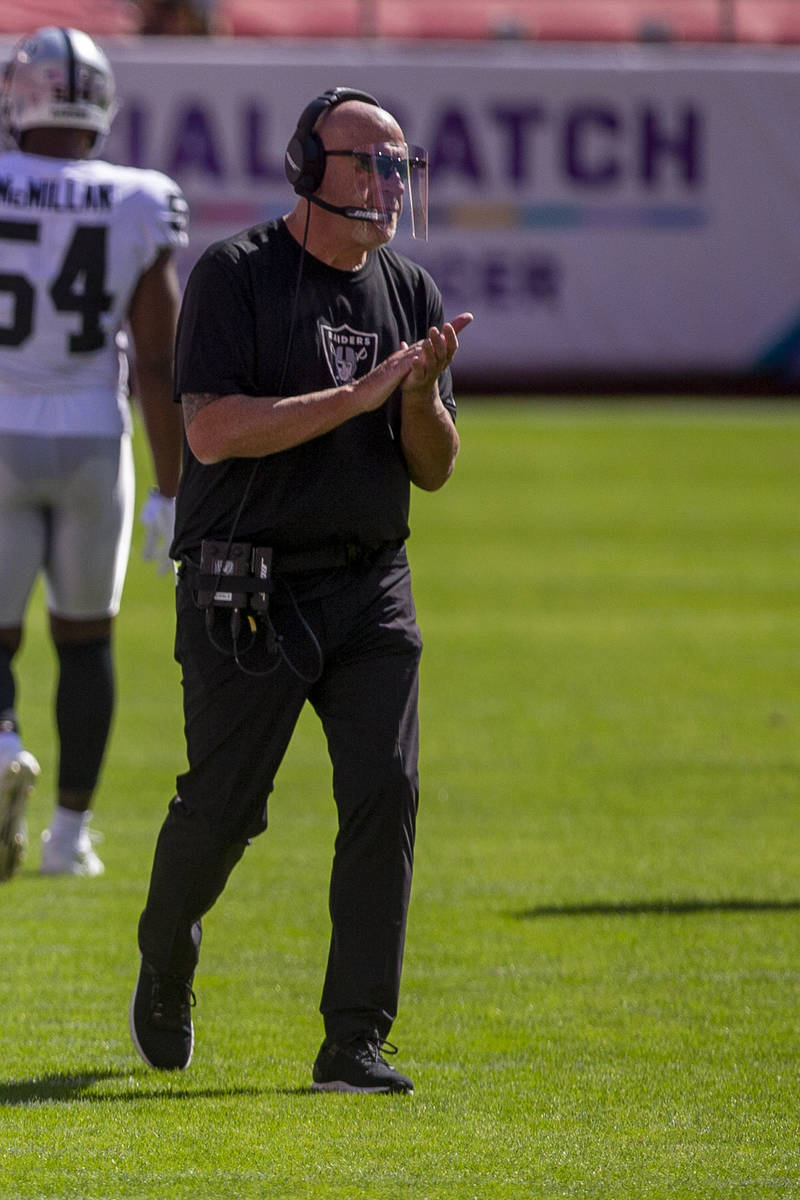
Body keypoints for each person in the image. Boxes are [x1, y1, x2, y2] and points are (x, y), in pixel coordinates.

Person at [129, 86, 472, 1094]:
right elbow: (209, 432)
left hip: (370, 586)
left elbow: (435, 465)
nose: (386, 183)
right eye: (366, 161)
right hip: (248, 591)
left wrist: (415, 398)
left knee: (384, 793)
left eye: (399, 164)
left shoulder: (407, 289)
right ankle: (165, 948)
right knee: (223, 813)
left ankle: (352, 1042)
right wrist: (361, 393)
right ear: (302, 167)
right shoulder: (233, 275)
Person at [0, 27, 189, 880]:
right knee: (86, 639)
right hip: (88, 434)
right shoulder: (139, 199)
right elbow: (158, 356)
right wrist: (174, 488)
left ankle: (3, 740)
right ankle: (69, 836)